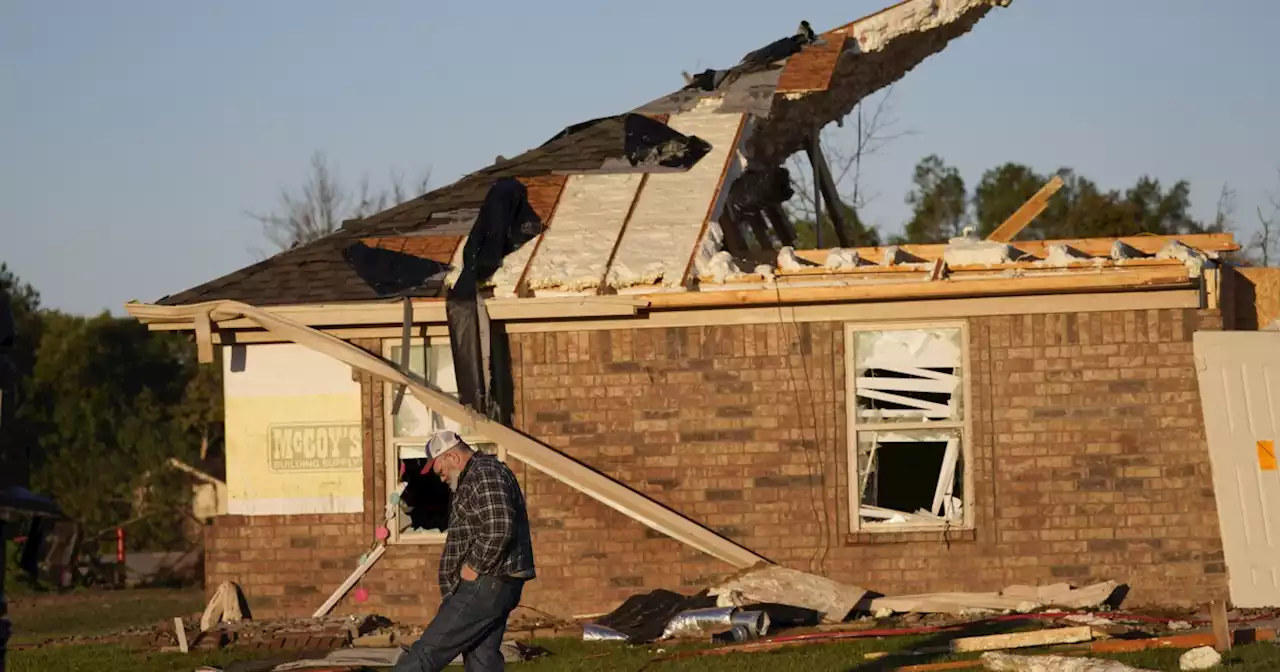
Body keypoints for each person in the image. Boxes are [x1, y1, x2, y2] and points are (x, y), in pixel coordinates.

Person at [393, 430, 535, 672]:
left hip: (487, 583)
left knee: (427, 653)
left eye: (441, 471)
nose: (442, 478)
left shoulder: (485, 473)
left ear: (454, 458)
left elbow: (499, 526)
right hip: (496, 583)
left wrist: (474, 566)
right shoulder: (481, 474)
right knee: (482, 660)